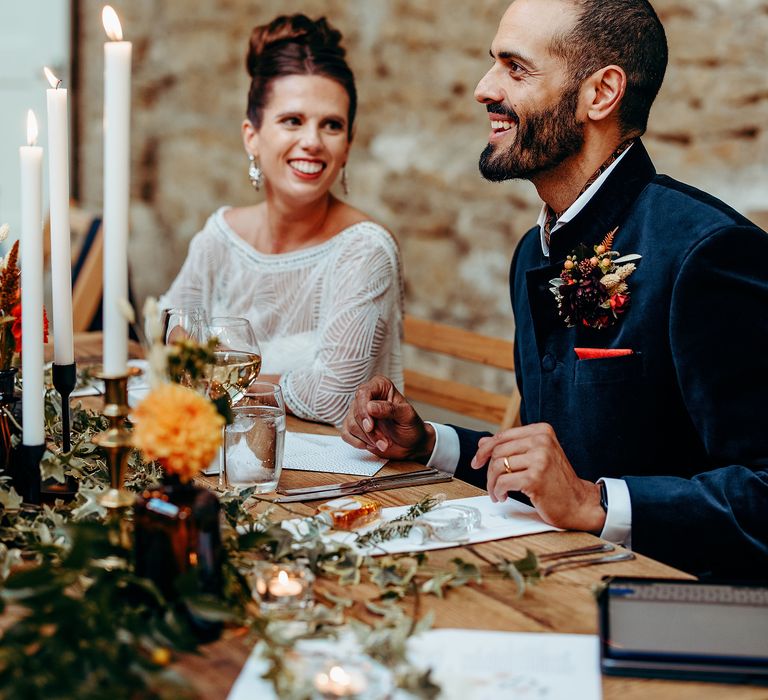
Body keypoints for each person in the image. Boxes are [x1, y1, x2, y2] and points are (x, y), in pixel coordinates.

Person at [341, 0, 768, 578]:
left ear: (600, 93)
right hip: (556, 584)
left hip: (676, 612)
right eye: (494, 63)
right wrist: (429, 444)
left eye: (516, 69)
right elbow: (554, 470)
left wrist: (595, 503)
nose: (483, 89)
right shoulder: (531, 254)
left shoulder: (707, 254)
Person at [160, 14, 403, 427]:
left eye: (331, 125)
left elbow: (335, 397)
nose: (311, 141)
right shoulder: (220, 236)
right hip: (214, 456)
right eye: (292, 120)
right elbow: (167, 335)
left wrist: (210, 381)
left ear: (347, 146)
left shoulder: (365, 251)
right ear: (251, 135)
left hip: (328, 480)